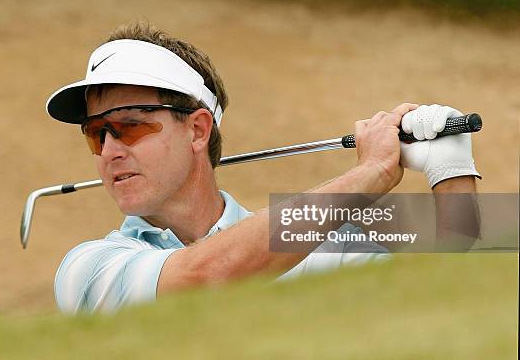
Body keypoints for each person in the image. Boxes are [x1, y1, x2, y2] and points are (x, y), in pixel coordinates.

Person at [47, 22, 481, 314]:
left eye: (129, 126)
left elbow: (448, 315)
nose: (109, 151)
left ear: (197, 131)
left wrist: (452, 173)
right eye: (96, 133)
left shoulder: (328, 250)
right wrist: (372, 173)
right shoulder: (88, 270)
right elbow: (208, 274)